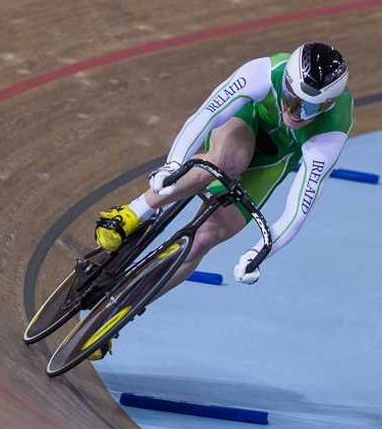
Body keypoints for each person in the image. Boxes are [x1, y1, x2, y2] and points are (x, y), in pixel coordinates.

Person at [88, 42, 354, 360]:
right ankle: (133, 212)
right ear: (286, 84)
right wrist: (174, 164)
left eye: (314, 109)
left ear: (329, 105)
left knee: (204, 239)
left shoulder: (332, 131)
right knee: (226, 162)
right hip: (244, 124)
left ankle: (116, 315)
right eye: (295, 101)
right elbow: (207, 115)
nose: (299, 115)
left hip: (272, 163)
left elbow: (300, 205)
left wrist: (262, 251)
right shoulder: (263, 72)